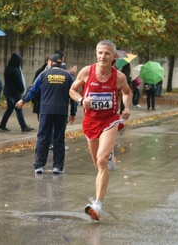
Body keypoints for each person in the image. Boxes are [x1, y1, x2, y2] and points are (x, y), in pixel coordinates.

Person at [69, 40, 131, 221]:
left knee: (101, 160)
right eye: (100, 53)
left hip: (110, 120)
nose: (103, 56)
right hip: (90, 121)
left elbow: (126, 92)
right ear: (96, 54)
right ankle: (109, 156)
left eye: (107, 54)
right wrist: (81, 100)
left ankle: (97, 204)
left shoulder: (119, 77)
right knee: (98, 166)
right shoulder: (87, 71)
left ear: (113, 57)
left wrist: (126, 108)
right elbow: (72, 90)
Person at [16, 53, 75, 174]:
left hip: (46, 111)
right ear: (60, 63)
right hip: (61, 112)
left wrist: (23, 100)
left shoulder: (44, 74)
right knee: (59, 139)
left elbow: (32, 89)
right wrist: (73, 112)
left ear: (50, 62)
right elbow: (73, 94)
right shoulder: (68, 76)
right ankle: (57, 166)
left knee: (43, 137)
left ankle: (39, 165)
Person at [0, 52, 34, 133]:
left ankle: (2, 124)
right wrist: (22, 90)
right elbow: (19, 82)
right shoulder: (15, 70)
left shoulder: (7, 67)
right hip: (14, 92)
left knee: (10, 109)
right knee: (18, 108)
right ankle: (23, 126)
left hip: (7, 90)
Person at [31, 56, 49, 121]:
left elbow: (34, 85)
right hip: (42, 97)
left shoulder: (40, 71)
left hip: (39, 97)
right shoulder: (43, 72)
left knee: (41, 117)